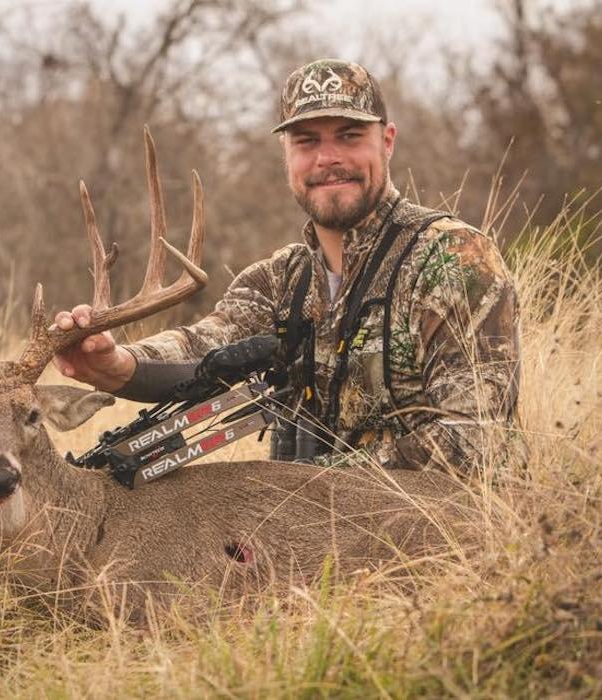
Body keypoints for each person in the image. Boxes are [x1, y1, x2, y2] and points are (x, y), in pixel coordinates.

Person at [52, 58, 521, 474]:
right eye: (306, 141)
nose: (328, 158)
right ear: (287, 155)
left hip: (436, 544)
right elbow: (201, 345)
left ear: (388, 141)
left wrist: (301, 487)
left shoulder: (452, 260)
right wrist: (116, 363)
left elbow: (476, 441)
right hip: (303, 546)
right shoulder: (281, 279)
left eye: (350, 136)